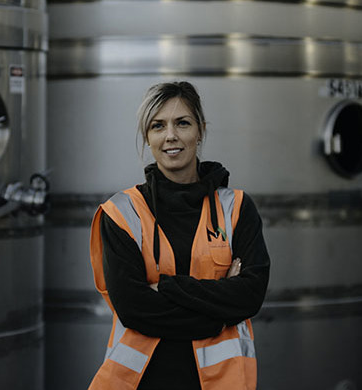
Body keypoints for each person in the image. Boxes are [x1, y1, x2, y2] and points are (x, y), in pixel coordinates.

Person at [88, 81, 270, 390]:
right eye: (158, 126)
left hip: (220, 383)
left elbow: (250, 295)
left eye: (182, 123)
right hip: (139, 383)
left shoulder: (236, 208)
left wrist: (167, 287)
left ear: (200, 130)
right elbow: (134, 308)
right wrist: (219, 311)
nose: (170, 136)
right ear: (148, 137)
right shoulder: (121, 213)